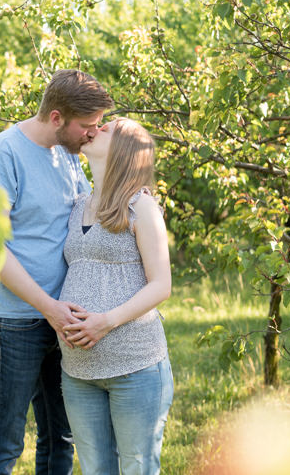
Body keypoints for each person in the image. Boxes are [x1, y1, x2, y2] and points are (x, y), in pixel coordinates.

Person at [0, 69, 113, 475]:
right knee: (4, 440)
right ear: (56, 118)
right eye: (86, 126)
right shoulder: (3, 154)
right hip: (15, 322)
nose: (92, 133)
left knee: (61, 438)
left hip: (64, 321)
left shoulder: (68, 156)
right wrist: (47, 306)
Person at [58, 117, 173, 475]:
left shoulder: (142, 207)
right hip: (78, 371)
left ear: (125, 148)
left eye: (106, 127)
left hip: (134, 366)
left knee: (137, 468)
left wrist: (104, 322)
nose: (94, 128)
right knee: (95, 470)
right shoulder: (78, 205)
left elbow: (161, 285)